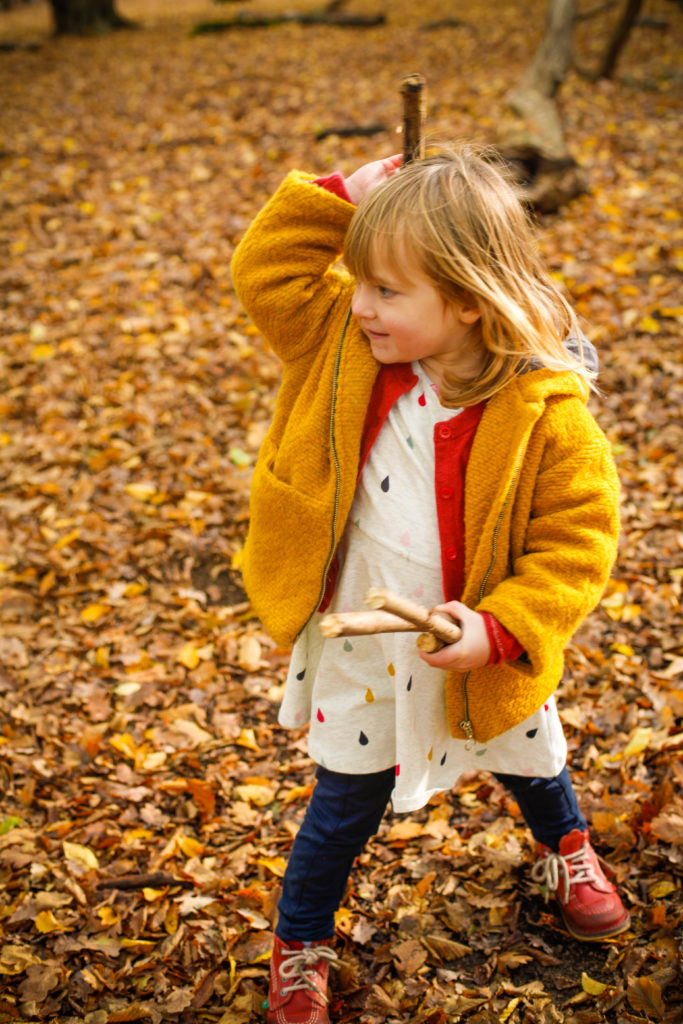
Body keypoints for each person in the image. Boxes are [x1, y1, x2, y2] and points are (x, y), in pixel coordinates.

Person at [230, 145, 630, 1024]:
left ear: (465, 301)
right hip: (362, 638)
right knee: (343, 795)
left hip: (478, 645)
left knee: (530, 759)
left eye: (386, 289)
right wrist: (344, 197)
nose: (360, 302)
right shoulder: (338, 339)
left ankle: (567, 847)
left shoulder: (545, 410)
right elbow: (264, 270)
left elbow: (579, 541)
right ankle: (301, 941)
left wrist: (501, 628)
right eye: (358, 281)